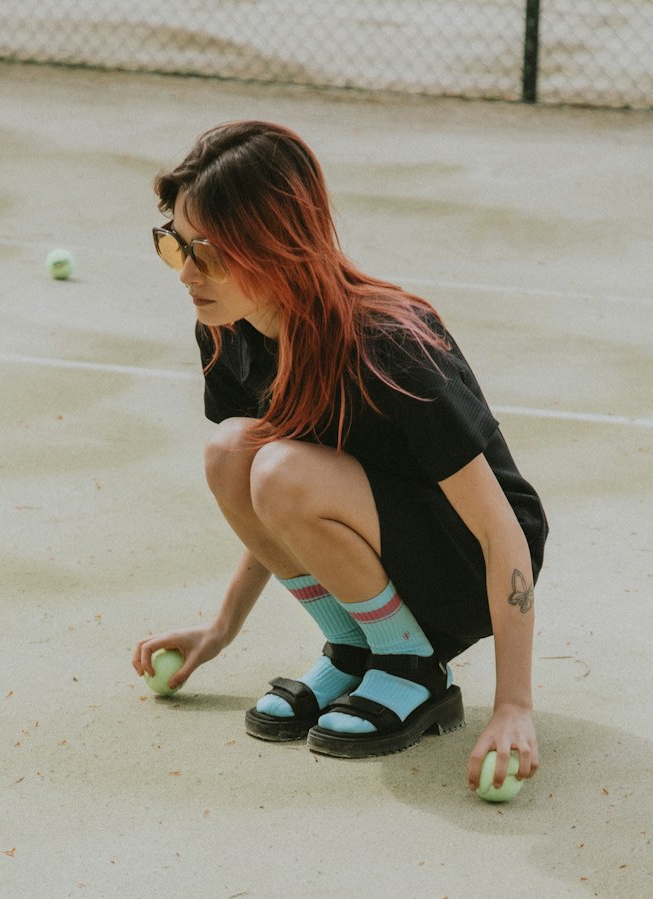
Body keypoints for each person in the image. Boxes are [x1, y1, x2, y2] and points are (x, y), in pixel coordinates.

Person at [132, 120, 547, 792]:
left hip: (467, 563)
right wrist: (221, 628)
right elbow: (274, 505)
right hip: (381, 549)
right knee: (231, 453)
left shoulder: (387, 347)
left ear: (275, 247)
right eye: (176, 245)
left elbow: (503, 529)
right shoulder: (228, 332)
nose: (186, 274)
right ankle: (357, 647)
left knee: (273, 463)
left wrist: (514, 705)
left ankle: (411, 666)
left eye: (206, 253)